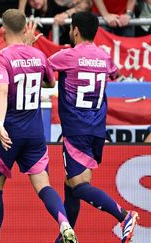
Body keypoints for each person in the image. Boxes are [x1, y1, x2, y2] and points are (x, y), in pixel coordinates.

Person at [0, 9, 77, 243]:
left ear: (3, 30)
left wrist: (1, 123)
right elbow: (50, 82)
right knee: (43, 184)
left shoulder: (1, 57)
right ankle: (64, 222)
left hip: (10, 129)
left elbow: (2, 89)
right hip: (35, 131)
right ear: (26, 29)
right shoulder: (38, 55)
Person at [47, 11, 138, 243]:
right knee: (70, 186)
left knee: (78, 186)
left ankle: (123, 215)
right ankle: (64, 239)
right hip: (97, 130)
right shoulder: (104, 56)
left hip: (76, 130)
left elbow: (45, 70)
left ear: (75, 30)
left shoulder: (68, 55)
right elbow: (115, 74)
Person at [22, 0, 92, 44]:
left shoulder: (58, 2)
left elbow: (87, 3)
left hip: (66, 44)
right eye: (31, 0)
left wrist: (67, 13)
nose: (35, 1)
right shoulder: (30, 11)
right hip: (46, 47)